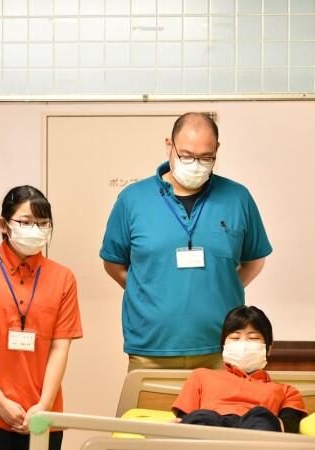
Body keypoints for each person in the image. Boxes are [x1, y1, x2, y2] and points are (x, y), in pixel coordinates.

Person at [100, 112, 272, 372]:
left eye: (206, 157)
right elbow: (113, 264)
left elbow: (254, 260)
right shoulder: (132, 199)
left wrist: (221, 287)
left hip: (221, 349)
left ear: (217, 150)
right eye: (187, 155)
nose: (196, 164)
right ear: (169, 145)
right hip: (151, 351)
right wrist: (149, 291)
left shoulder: (238, 198)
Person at [0, 185, 83, 450]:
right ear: (4, 225)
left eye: (42, 223)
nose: (35, 230)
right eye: (25, 222)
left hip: (43, 416)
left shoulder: (63, 278)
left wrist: (44, 405)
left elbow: (60, 347)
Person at [172, 305, 307, 432]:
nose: (243, 344)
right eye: (235, 338)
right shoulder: (200, 376)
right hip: (210, 429)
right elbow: (184, 419)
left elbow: (289, 427)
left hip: (256, 430)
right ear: (223, 346)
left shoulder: (287, 391)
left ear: (269, 348)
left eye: (253, 338)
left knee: (262, 416)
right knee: (202, 416)